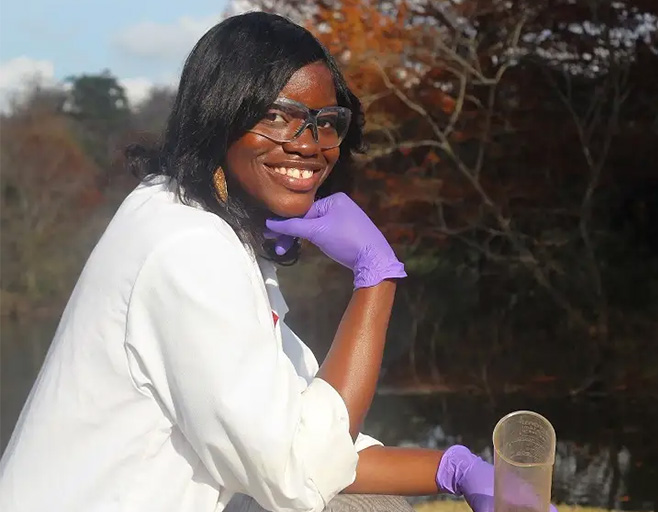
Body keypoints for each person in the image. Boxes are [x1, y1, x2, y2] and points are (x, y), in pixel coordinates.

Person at [0, 12, 556, 512]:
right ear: (219, 116)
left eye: (325, 121)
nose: (308, 144)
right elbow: (299, 472)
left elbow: (314, 429)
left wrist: (453, 469)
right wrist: (378, 275)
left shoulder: (188, 214)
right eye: (276, 116)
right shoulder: (186, 248)